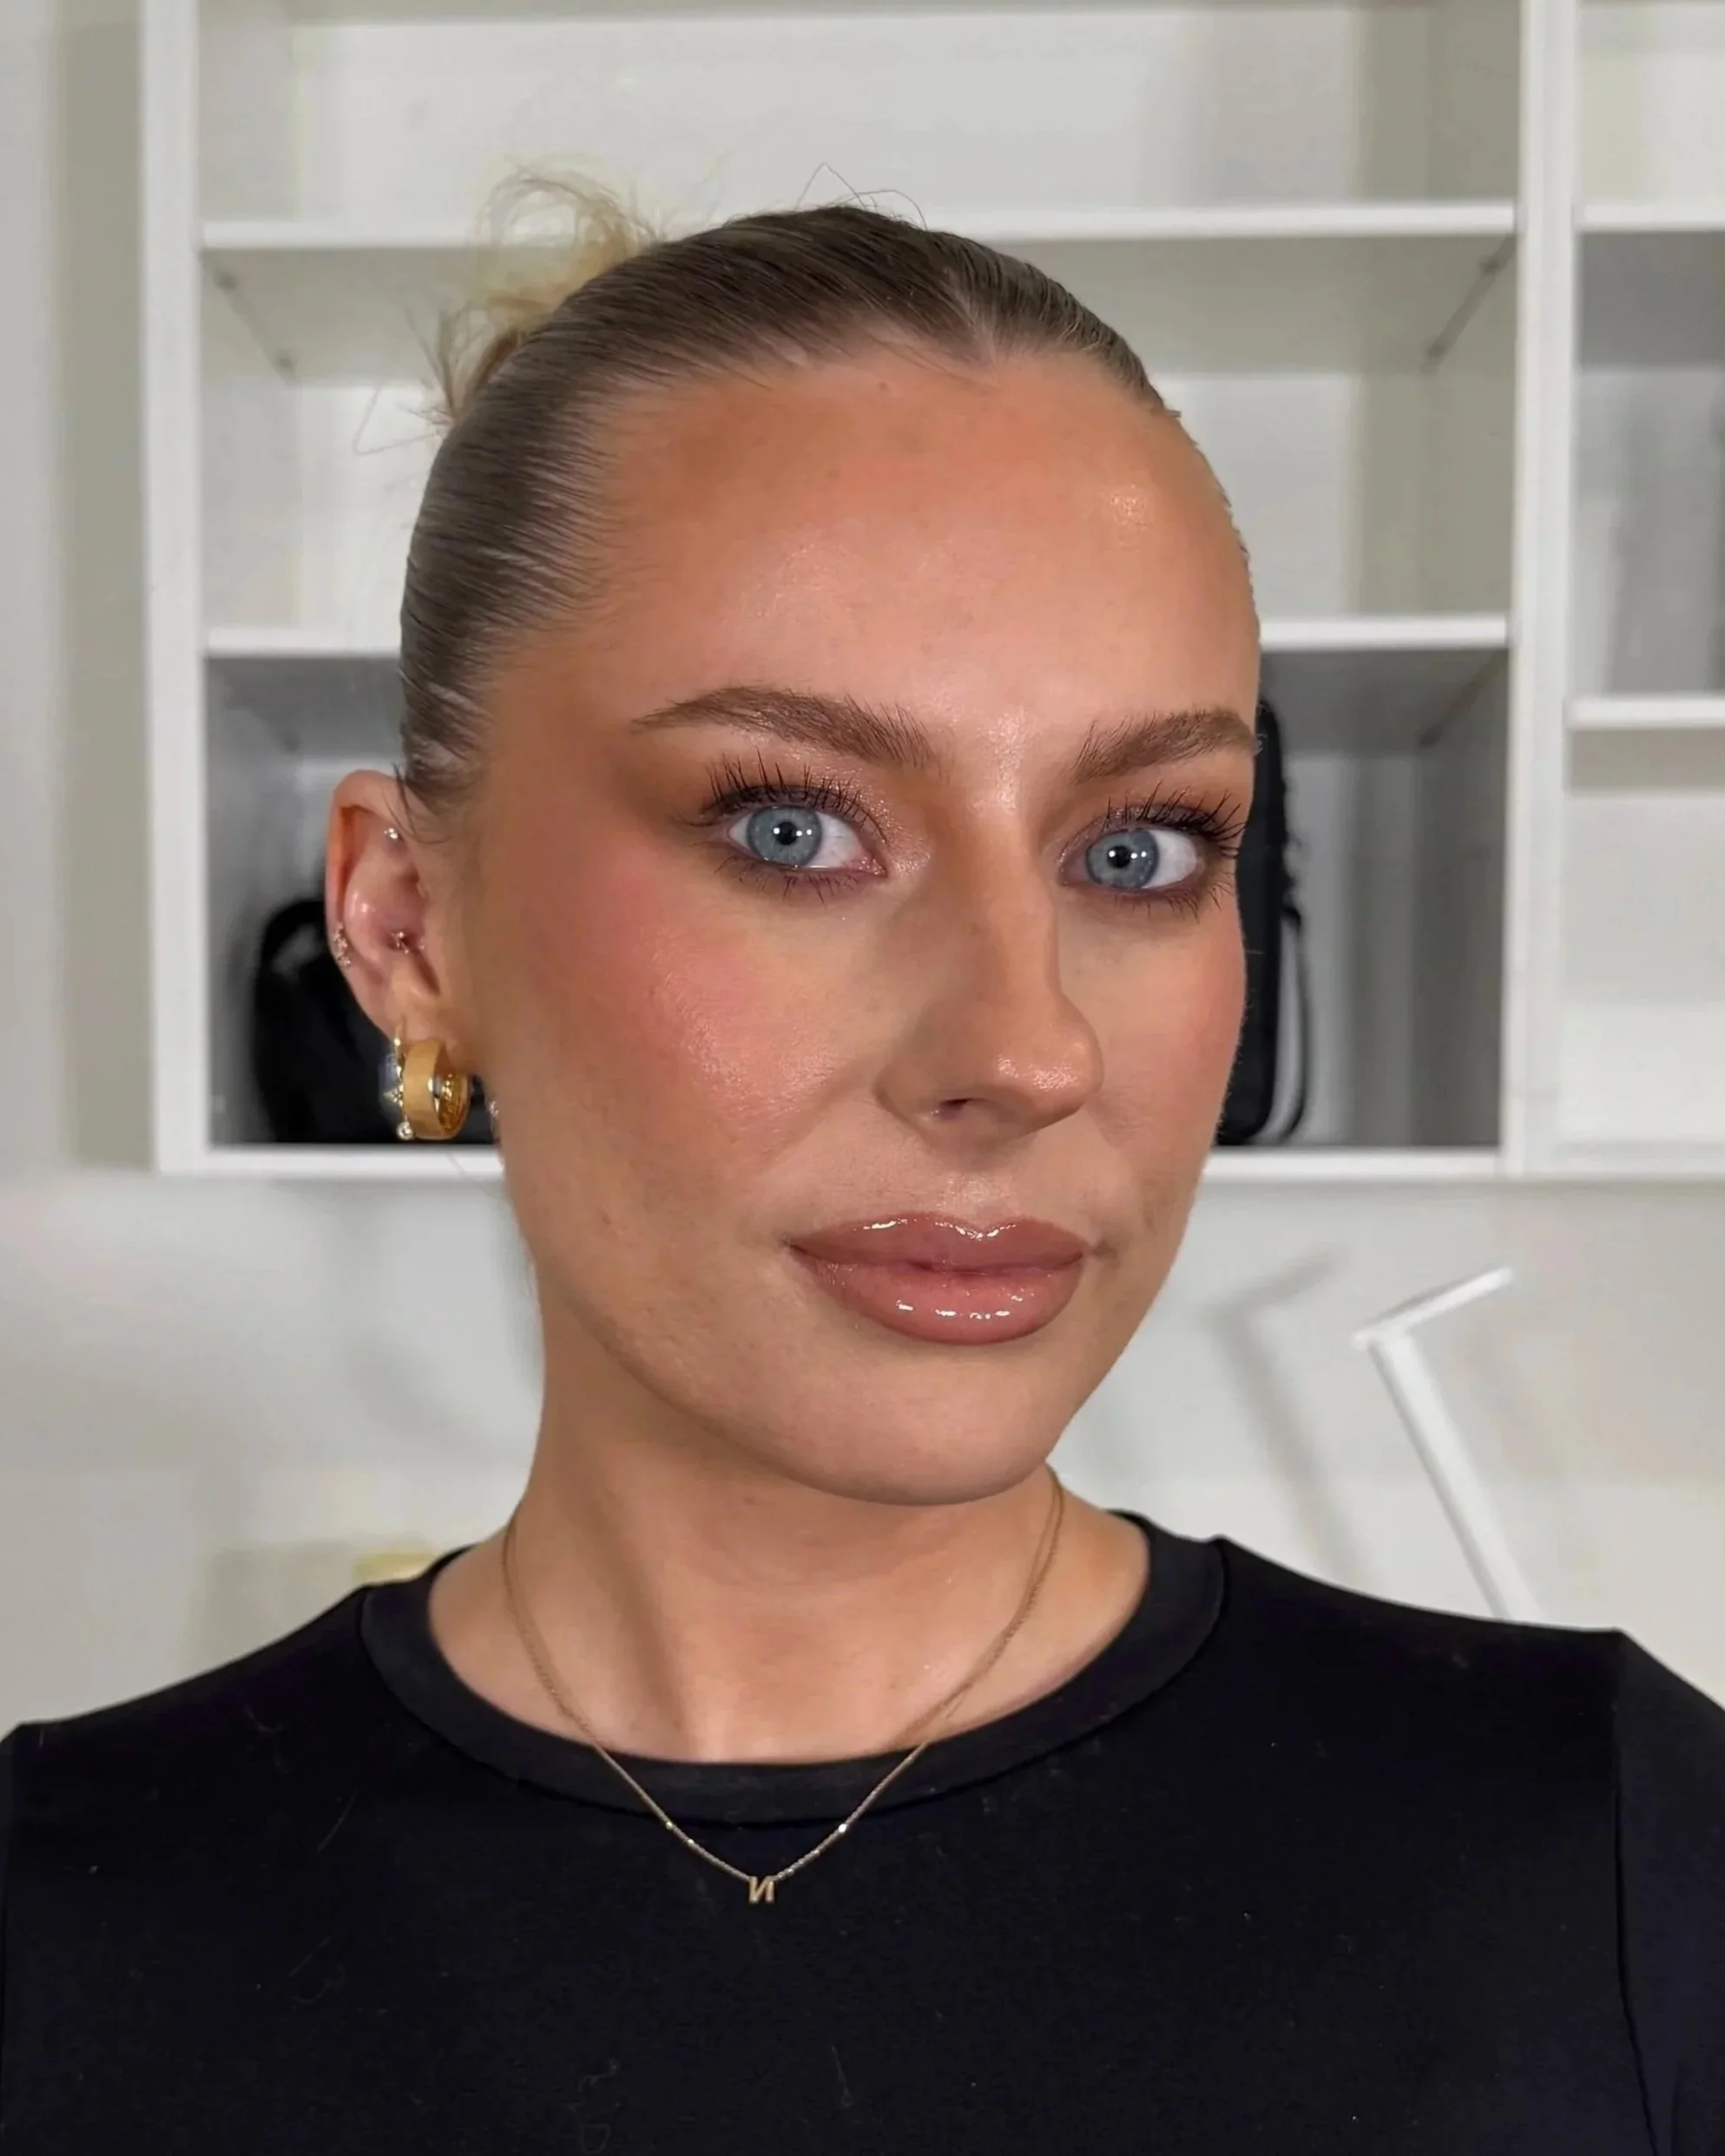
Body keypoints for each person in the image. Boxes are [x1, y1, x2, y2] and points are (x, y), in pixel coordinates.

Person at [2, 181, 1722, 2154]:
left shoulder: (1614, 1859)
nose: (1024, 1049)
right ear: (405, 924)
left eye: (1140, 848)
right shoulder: (64, 1922)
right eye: (794, 830)